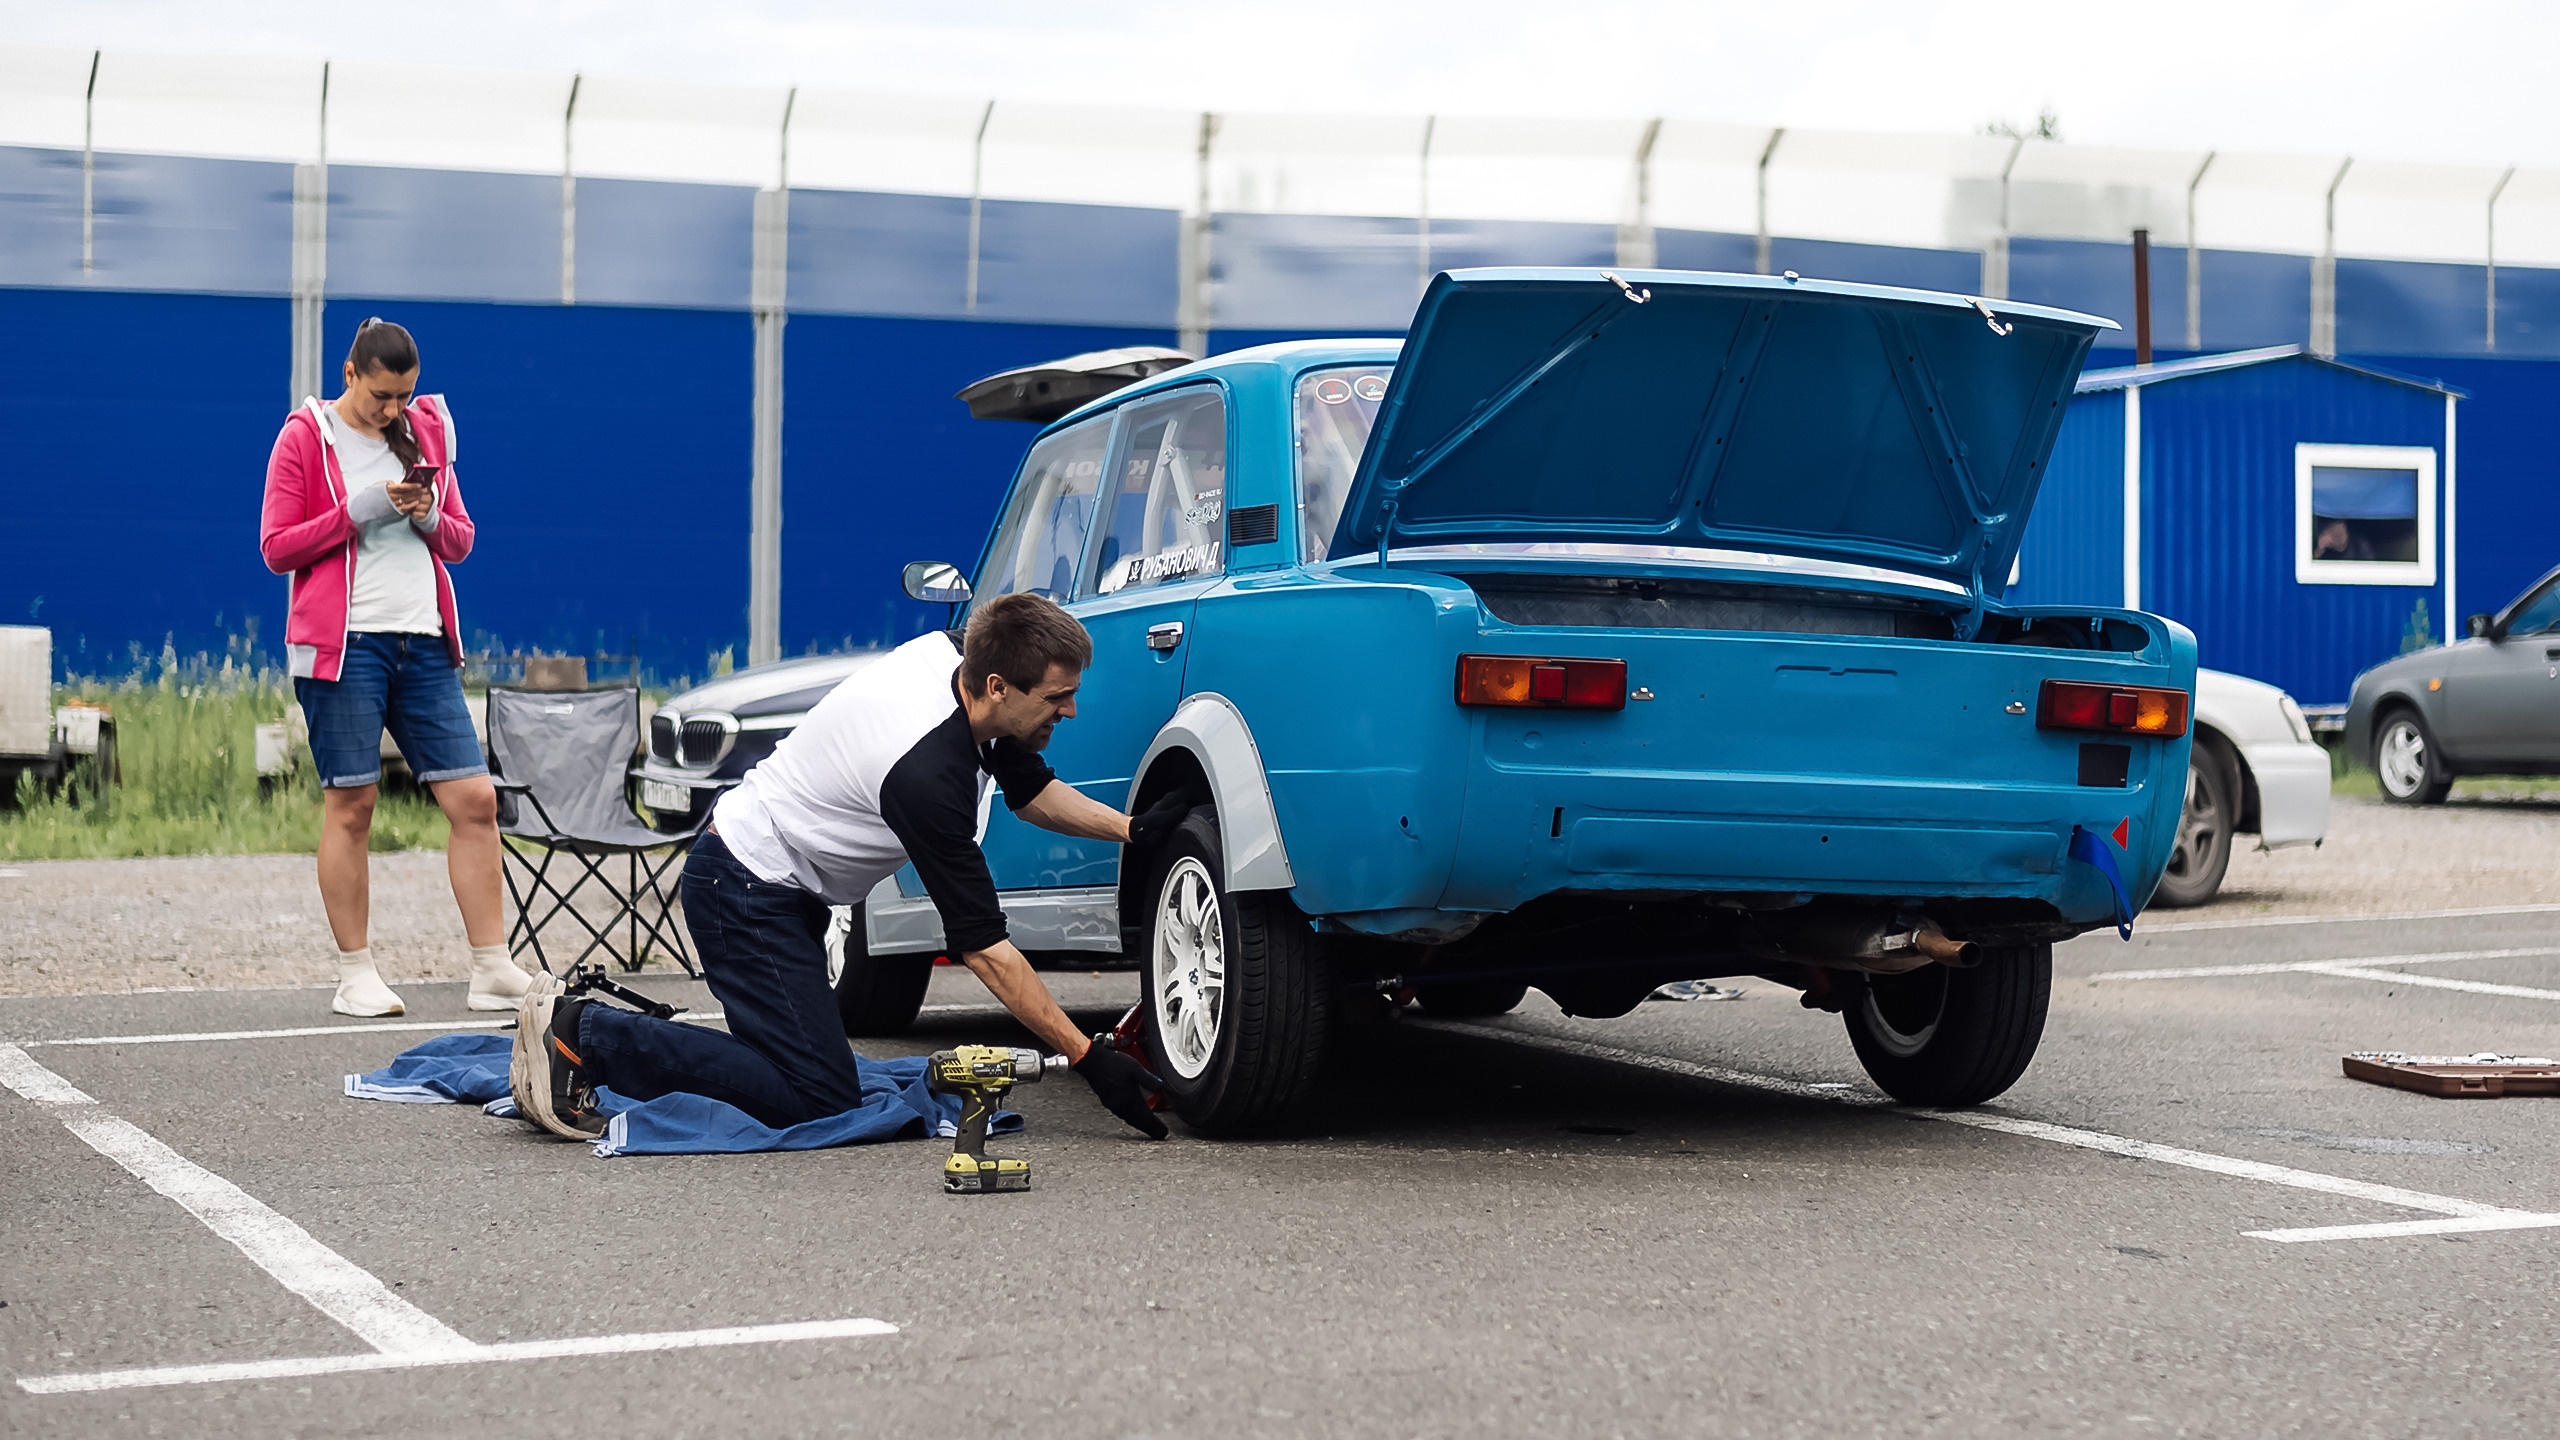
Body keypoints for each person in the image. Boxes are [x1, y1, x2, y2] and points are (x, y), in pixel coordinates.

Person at [510, 593, 1185, 1142]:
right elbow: (985, 951)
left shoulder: (959, 664)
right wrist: (1087, 1057)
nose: (1070, 710)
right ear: (999, 686)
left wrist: (1131, 830)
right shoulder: (925, 773)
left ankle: (616, 1036)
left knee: (802, 1071)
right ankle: (585, 1033)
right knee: (816, 1097)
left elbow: (1029, 789)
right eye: (1057, 697)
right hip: (742, 893)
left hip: (769, 885)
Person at [258, 319, 534, 1018]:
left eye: (404, 396)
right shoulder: (303, 436)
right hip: (344, 647)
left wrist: (427, 514)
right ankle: (356, 975)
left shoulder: (427, 430)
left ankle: (491, 967)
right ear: (350, 374)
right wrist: (356, 511)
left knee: (476, 802)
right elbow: (276, 548)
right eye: (382, 395)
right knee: (353, 807)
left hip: (424, 642)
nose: (393, 410)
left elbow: (462, 541)